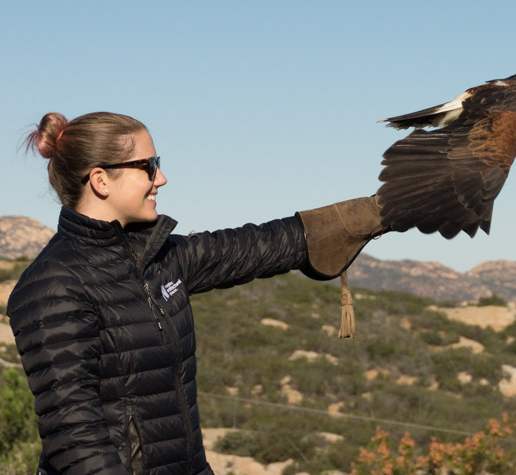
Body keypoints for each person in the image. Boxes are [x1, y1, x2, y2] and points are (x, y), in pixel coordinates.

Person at [6, 111, 387, 475]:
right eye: (149, 166)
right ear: (101, 180)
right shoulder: (53, 285)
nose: (162, 178)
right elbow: (75, 438)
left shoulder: (159, 258)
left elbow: (256, 247)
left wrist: (382, 212)